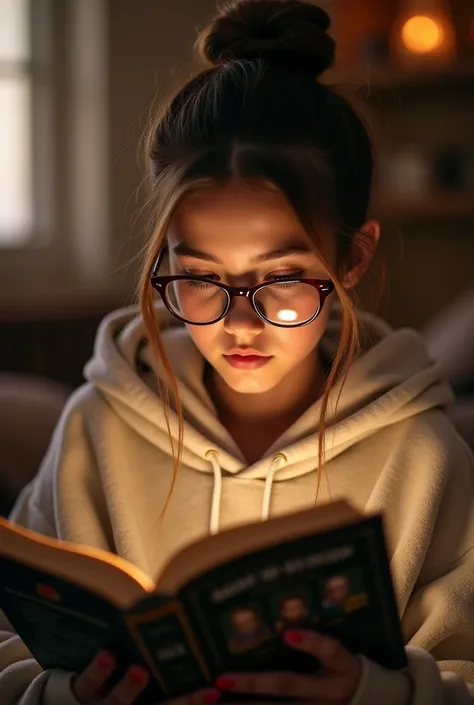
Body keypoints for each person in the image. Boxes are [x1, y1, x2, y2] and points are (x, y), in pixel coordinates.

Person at [1, 0, 474, 703]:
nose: (241, 323)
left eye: (282, 280)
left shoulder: (424, 455)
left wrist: (373, 691)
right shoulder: (92, 427)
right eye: (199, 279)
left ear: (352, 258)